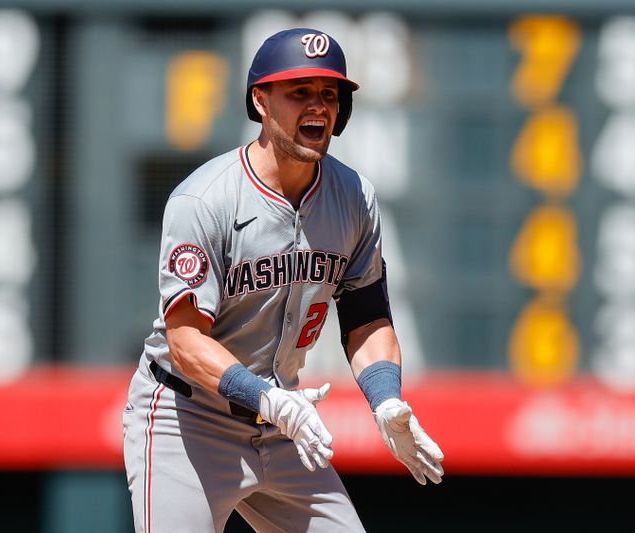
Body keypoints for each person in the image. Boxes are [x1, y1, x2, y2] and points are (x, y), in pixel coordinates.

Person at [123, 27, 444, 533]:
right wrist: (268, 399)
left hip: (281, 424)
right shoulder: (205, 201)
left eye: (329, 94)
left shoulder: (354, 198)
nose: (318, 106)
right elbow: (185, 341)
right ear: (261, 100)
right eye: (299, 92)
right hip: (188, 422)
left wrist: (386, 398)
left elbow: (366, 318)